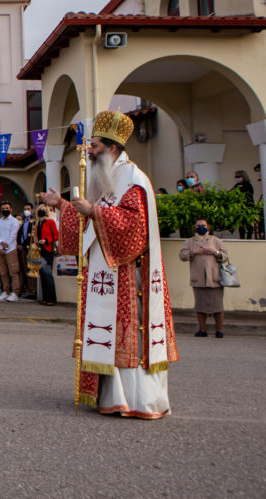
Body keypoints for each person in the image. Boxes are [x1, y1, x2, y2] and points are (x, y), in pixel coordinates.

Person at [40, 109, 178, 419]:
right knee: (107, 335)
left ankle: (138, 399)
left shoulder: (133, 179)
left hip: (128, 277)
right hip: (106, 276)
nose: (90, 151)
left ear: (112, 148)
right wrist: (62, 205)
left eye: (96, 146)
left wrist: (94, 212)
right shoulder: (108, 179)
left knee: (127, 337)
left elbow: (135, 227)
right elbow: (91, 220)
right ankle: (112, 396)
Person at [179, 218, 228, 338]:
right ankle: (202, 330)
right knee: (200, 307)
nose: (201, 227)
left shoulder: (216, 241)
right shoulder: (190, 242)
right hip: (198, 279)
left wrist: (215, 252)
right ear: (195, 228)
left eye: (203, 225)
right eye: (198, 225)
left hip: (214, 279)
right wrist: (194, 252)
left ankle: (219, 330)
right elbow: (182, 256)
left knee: (218, 307)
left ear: (208, 227)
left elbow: (225, 256)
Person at [0, 202, 21, 301]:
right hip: (0, 249)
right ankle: (6, 291)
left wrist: (6, 247)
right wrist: (1, 243)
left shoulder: (14, 221)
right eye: (3, 208)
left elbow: (13, 236)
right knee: (3, 272)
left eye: (7, 208)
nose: (5, 209)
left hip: (10, 250)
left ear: (11, 209)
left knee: (13, 272)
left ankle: (15, 292)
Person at [34, 204, 59, 305]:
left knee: (48, 274)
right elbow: (36, 235)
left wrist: (46, 240)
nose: (42, 211)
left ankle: (51, 299)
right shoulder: (38, 223)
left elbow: (56, 236)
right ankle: (45, 298)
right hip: (40, 250)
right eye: (40, 209)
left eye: (44, 209)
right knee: (43, 274)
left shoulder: (50, 222)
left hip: (48, 249)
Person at [17, 202, 38, 299]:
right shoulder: (24, 222)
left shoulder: (33, 221)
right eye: (25, 209)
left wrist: (23, 244)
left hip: (30, 248)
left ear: (32, 210)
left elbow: (31, 236)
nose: (26, 211)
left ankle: (33, 291)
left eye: (28, 209)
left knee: (31, 269)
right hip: (22, 248)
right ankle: (29, 289)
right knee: (25, 269)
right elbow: (21, 234)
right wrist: (19, 244)